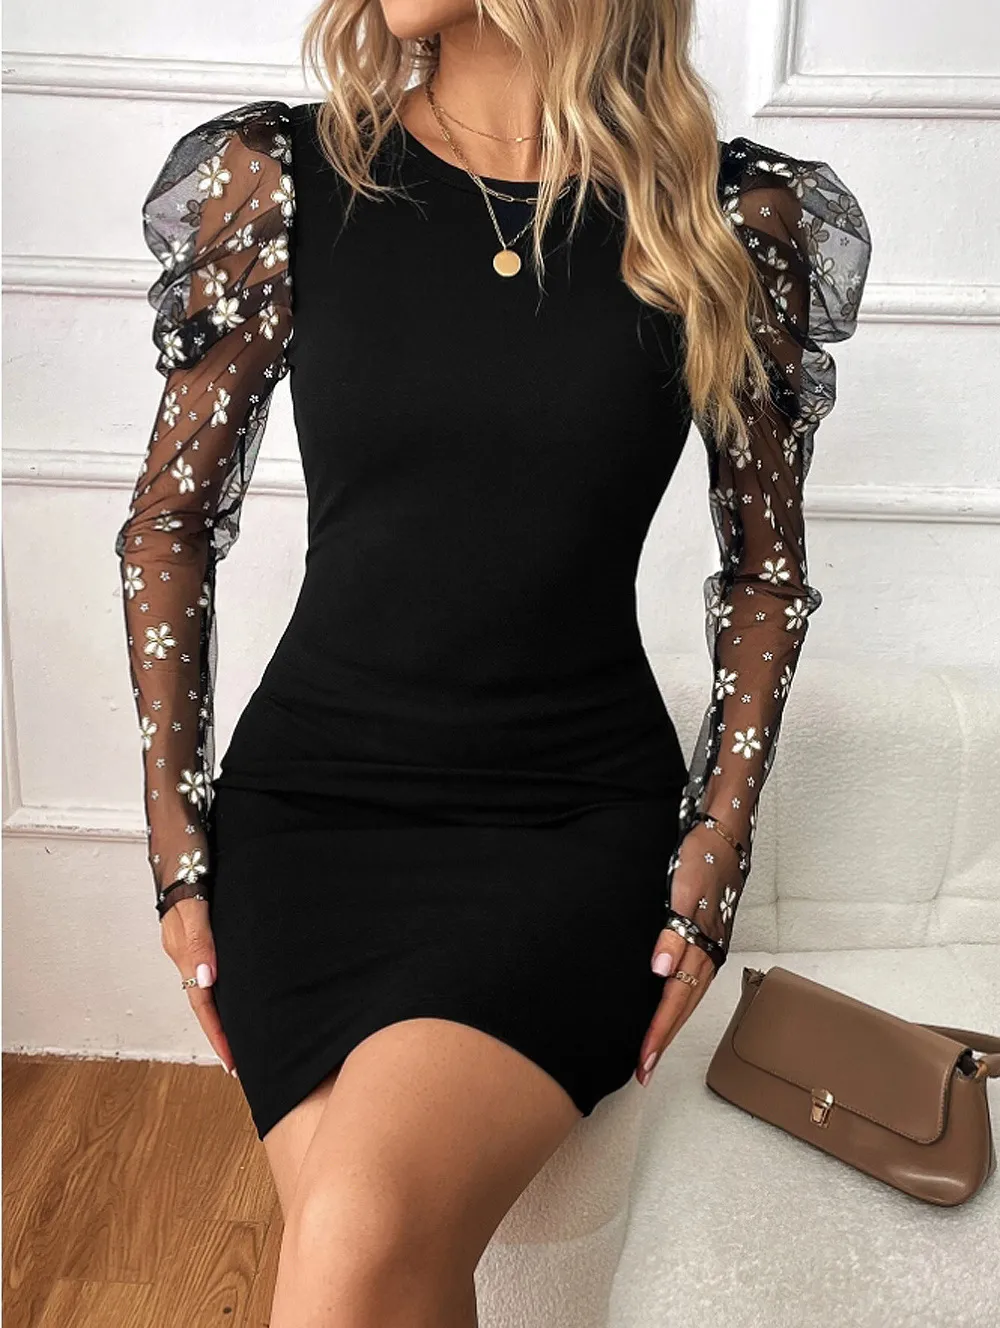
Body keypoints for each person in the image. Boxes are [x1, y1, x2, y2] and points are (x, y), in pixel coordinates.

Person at [114, 0, 871, 1321]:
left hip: (564, 827)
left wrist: (715, 851)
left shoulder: (725, 218)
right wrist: (180, 842)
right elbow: (166, 523)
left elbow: (765, 574)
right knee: (383, 1267)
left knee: (353, 1241)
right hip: (308, 819)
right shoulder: (281, 182)